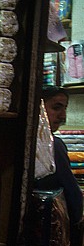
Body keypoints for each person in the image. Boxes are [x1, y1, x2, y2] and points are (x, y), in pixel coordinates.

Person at [36, 86, 83, 227]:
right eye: (56, 108)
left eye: (65, 108)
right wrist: (77, 219)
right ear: (40, 109)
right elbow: (71, 189)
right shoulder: (52, 145)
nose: (63, 116)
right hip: (47, 227)